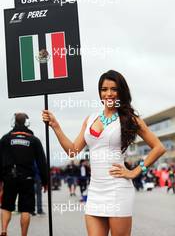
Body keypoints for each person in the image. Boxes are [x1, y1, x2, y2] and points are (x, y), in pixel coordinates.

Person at [42, 70, 166, 236]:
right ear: (100, 92)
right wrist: (55, 126)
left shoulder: (129, 119)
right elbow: (72, 151)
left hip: (118, 189)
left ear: (121, 92)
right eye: (104, 89)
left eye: (114, 89)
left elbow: (159, 147)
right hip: (95, 190)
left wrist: (136, 171)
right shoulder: (91, 118)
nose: (109, 93)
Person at [0, 113, 47, 236]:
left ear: (14, 122)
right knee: (26, 209)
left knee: (6, 206)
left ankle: (4, 230)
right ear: (27, 123)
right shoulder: (34, 140)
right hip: (27, 178)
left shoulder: (5, 138)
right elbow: (42, 162)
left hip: (9, 177)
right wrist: (45, 181)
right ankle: (23, 235)